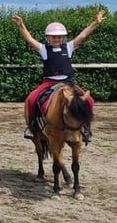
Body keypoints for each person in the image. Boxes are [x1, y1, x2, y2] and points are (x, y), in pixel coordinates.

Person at [12, 10, 105, 143]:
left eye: (60, 37)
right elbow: (29, 39)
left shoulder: (69, 47)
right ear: (48, 38)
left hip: (68, 83)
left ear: (63, 38)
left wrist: (96, 23)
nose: (57, 39)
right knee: (31, 99)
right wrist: (21, 25)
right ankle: (32, 128)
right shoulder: (44, 49)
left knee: (88, 100)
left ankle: (86, 128)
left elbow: (83, 35)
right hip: (49, 82)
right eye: (54, 37)